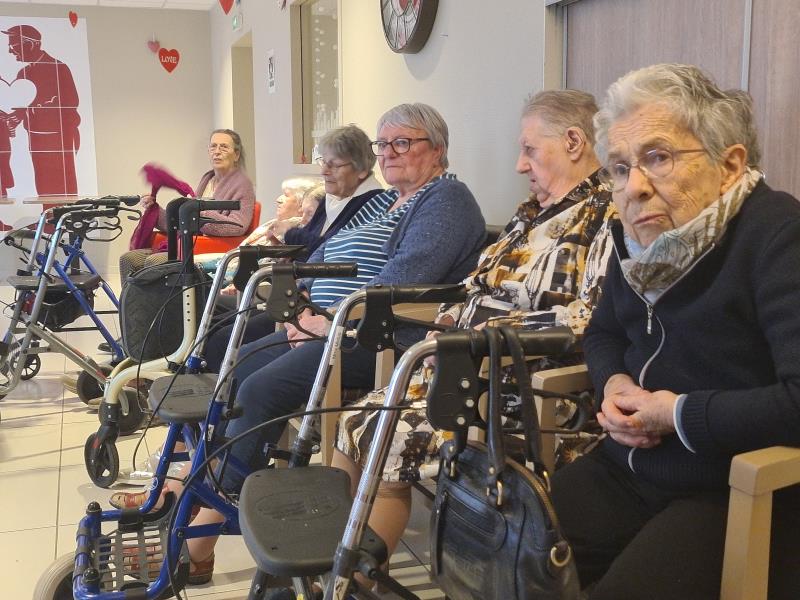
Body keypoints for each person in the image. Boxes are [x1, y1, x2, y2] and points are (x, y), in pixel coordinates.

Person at [110, 103, 486, 585]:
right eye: (382, 144)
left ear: (437, 149)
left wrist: (327, 320)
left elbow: (402, 280)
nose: (388, 153)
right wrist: (309, 310)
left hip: (389, 341)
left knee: (258, 390)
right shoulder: (401, 200)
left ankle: (198, 534)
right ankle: (193, 492)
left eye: (402, 143)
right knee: (238, 368)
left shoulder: (446, 199)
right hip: (357, 327)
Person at [332, 90, 617, 575]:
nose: (519, 165)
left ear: (574, 142)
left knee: (386, 433)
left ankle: (352, 579)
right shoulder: (533, 213)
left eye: (529, 150)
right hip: (466, 372)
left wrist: (481, 334)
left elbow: (588, 316)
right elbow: (473, 286)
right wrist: (447, 319)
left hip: (526, 388)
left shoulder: (605, 215)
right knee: (352, 422)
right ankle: (338, 558)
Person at [551, 63, 800, 600]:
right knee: (515, 553)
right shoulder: (637, 241)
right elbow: (603, 334)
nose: (634, 188)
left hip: (733, 484)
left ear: (729, 165)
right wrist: (614, 382)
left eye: (658, 158)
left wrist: (677, 413)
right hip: (628, 465)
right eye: (620, 168)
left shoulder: (779, 236)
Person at [200, 124, 386, 367]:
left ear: (360, 169)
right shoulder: (334, 199)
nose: (324, 171)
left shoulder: (369, 204)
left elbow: (324, 248)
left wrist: (290, 234)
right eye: (323, 162)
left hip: (320, 307)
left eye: (334, 165)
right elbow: (318, 247)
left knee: (224, 342)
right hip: (300, 295)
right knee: (214, 325)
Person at [118, 129, 255, 279]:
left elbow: (239, 226)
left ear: (236, 154)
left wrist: (199, 213)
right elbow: (186, 223)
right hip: (187, 243)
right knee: (128, 260)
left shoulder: (243, 184)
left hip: (208, 249)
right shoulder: (208, 179)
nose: (217, 151)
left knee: (154, 262)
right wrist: (155, 210)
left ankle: (160, 296)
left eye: (224, 147)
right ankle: (132, 296)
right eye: (213, 146)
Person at [3, 24, 80, 196]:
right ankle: (47, 212)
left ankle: (66, 212)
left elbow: (70, 103)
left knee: (63, 183)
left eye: (13, 46)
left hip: (58, 137)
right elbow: (21, 105)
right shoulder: (23, 73)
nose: (10, 51)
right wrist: (13, 119)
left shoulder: (59, 68)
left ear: (31, 44)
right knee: (43, 181)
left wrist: (34, 109)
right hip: (35, 137)